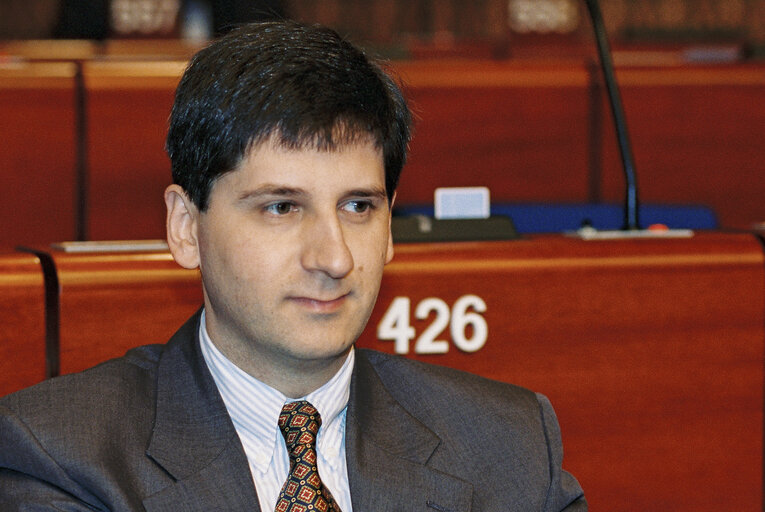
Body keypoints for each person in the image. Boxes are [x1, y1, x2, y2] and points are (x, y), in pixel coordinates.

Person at [0, 21, 586, 511]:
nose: (334, 258)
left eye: (359, 207)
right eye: (282, 207)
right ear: (186, 228)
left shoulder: (511, 446)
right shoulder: (60, 455)